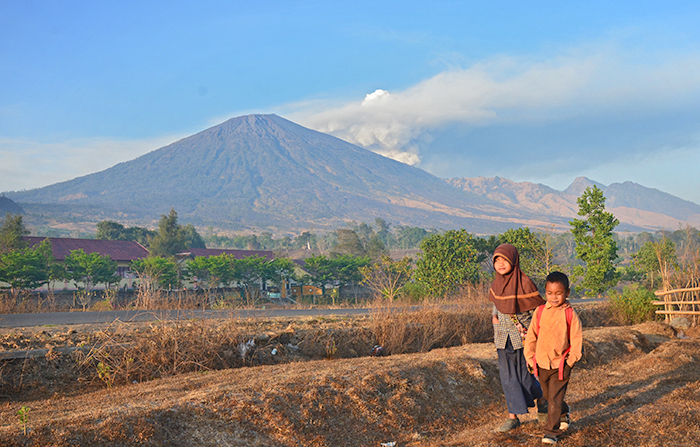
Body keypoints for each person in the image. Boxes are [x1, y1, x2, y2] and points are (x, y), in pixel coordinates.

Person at [489, 243, 547, 433]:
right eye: (496, 260)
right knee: (507, 379)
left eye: (504, 259)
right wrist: (494, 318)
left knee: (525, 378)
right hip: (502, 339)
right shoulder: (495, 285)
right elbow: (495, 305)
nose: (500, 264)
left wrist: (534, 335)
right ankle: (512, 417)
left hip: (523, 340)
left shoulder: (525, 284)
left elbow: (538, 313)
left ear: (513, 260)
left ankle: (542, 398)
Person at [524, 271, 583, 445]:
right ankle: (564, 413)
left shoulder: (570, 314)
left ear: (567, 293)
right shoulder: (540, 311)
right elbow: (532, 335)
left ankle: (551, 432)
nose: (554, 297)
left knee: (555, 399)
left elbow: (577, 339)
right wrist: (530, 357)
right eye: (550, 293)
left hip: (561, 365)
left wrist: (570, 362)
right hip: (541, 363)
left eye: (558, 293)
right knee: (548, 397)